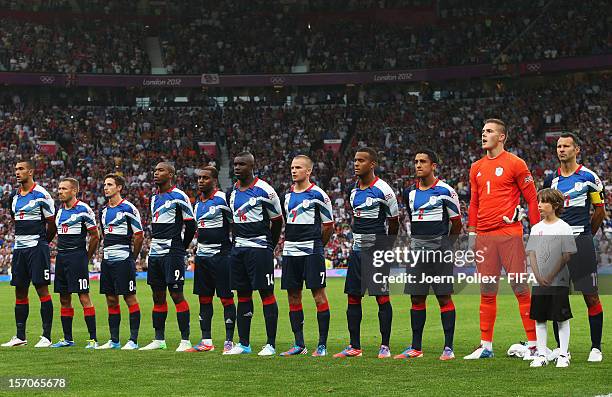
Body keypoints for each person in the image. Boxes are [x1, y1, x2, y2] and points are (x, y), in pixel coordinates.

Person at [464, 118, 540, 360]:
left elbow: (532, 199)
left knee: (520, 288)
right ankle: (485, 346)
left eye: (489, 131)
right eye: (483, 131)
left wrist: (536, 231)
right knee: (487, 291)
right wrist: (472, 233)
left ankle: (535, 345)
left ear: (502, 136)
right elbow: (474, 202)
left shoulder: (516, 163)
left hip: (509, 234)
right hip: (484, 237)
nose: (483, 135)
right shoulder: (475, 167)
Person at [544, 132, 606, 362]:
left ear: (576, 150)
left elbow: (600, 211)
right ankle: (562, 351)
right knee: (557, 298)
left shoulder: (590, 177)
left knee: (590, 296)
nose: (561, 150)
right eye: (559, 146)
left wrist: (586, 235)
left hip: (581, 243)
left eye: (566, 146)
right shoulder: (551, 180)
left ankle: (596, 348)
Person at [396, 150, 462, 360]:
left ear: (433, 165)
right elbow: (412, 217)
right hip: (417, 254)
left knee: (444, 297)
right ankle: (416, 347)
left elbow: (457, 223)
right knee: (416, 298)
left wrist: (446, 246)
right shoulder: (409, 193)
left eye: (423, 161)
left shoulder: (446, 191)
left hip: (440, 253)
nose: (418, 165)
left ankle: (448, 348)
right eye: (416, 161)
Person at [334, 147, 399, 358]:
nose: (356, 164)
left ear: (372, 164)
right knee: (353, 298)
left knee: (381, 298)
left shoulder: (384, 190)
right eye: (354, 160)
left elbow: (394, 222)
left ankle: (385, 346)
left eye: (361, 160)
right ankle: (355, 346)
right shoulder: (353, 191)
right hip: (356, 252)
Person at [224, 152, 284, 356]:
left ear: (252, 166)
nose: (237, 167)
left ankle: (270, 344)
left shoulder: (265, 190)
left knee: (266, 293)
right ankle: (244, 344)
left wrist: (269, 245)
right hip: (238, 250)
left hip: (259, 249)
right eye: (235, 164)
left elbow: (277, 221)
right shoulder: (232, 192)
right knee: (242, 294)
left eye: (242, 164)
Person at [279, 155, 334, 357]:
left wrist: (317, 246)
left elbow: (328, 226)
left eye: (298, 167)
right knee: (293, 296)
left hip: (312, 251)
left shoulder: (319, 195)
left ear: (308, 171)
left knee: (318, 296)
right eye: (292, 167)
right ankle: (299, 344)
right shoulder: (286, 196)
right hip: (291, 252)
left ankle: (321, 345)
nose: (294, 171)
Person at [140, 162, 197, 352]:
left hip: (172, 251)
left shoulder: (179, 196)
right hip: (155, 251)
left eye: (160, 170)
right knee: (157, 296)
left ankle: (185, 340)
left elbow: (190, 224)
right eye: (154, 170)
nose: (156, 173)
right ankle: (159, 339)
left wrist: (181, 246)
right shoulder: (154, 197)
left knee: (176, 294)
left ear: (171, 174)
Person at [2, 160, 56, 348]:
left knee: (42, 289)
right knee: (20, 290)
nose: (17, 172)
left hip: (37, 248)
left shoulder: (42, 195)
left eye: (21, 169)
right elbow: (17, 222)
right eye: (15, 169)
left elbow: (52, 224)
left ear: (31, 171)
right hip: (20, 249)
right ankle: (20, 336)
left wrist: (41, 244)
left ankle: (46, 337)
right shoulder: (14, 197)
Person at [185, 166, 236, 354]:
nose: (201, 181)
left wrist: (234, 249)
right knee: (204, 299)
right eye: (199, 178)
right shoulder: (197, 205)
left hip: (222, 257)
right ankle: (206, 341)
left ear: (214, 180)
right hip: (203, 258)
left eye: (205, 178)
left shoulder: (223, 199)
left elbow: (234, 223)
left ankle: (229, 341)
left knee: (225, 298)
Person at [526, 188, 576, 368]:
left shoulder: (564, 227)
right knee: (539, 318)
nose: (539, 205)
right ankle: (541, 354)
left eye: (544, 202)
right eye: (538, 201)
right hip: (539, 282)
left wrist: (551, 274)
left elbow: (567, 255)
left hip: (559, 282)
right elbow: (531, 253)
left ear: (555, 205)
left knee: (561, 318)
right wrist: (539, 276)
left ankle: (563, 354)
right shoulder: (536, 228)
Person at [51, 178, 100, 349]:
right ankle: (67, 339)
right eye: (59, 188)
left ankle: (93, 339)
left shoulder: (83, 209)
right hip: (61, 258)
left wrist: (85, 257)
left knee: (83, 296)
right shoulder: (59, 211)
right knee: (64, 298)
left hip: (77, 257)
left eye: (64, 188)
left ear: (74, 191)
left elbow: (95, 236)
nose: (60, 191)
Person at [96, 174, 144, 350]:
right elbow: (104, 235)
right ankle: (114, 341)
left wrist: (132, 257)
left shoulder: (128, 208)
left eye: (109, 184)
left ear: (119, 188)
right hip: (107, 260)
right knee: (111, 299)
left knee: (129, 297)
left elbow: (139, 235)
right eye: (104, 184)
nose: (106, 187)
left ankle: (133, 340)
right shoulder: (103, 211)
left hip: (124, 259)